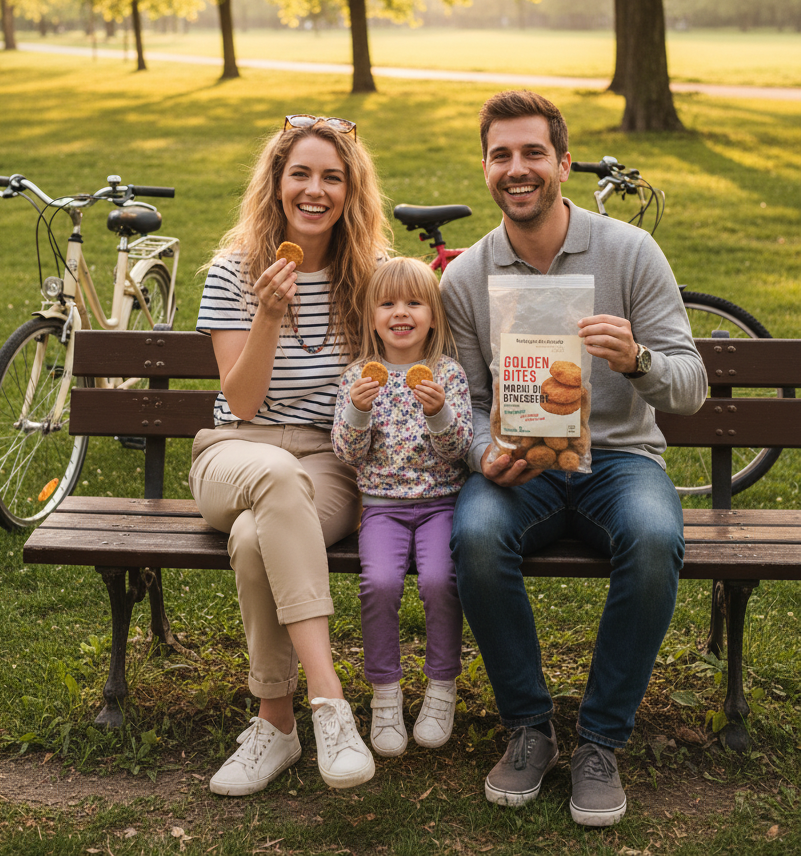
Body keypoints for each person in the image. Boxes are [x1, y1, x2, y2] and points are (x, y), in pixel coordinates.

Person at [440, 91, 707, 828]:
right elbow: (461, 402)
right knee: (475, 537)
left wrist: (639, 357)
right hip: (519, 467)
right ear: (486, 168)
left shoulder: (629, 252)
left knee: (653, 540)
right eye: (501, 155)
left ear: (562, 162)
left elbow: (689, 387)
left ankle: (601, 741)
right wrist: (479, 450)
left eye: (532, 153)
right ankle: (530, 729)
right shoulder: (464, 278)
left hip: (620, 460)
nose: (516, 169)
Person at [190, 114, 391, 796]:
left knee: (254, 540)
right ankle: (332, 704)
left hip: (325, 465)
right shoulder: (232, 272)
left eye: (332, 177)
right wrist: (268, 316)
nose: (315, 189)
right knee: (271, 479)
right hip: (233, 452)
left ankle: (275, 726)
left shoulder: (368, 277)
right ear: (275, 184)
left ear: (350, 190)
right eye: (300, 174)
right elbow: (240, 403)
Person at [332, 257, 473, 757]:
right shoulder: (357, 378)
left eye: (415, 302)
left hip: (441, 504)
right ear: (371, 315)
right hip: (382, 507)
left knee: (440, 581)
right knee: (381, 584)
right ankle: (386, 692)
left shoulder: (446, 375)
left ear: (433, 314)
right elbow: (347, 453)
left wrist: (438, 413)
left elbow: (460, 449)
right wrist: (358, 409)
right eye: (387, 303)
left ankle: (441, 686)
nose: (401, 312)